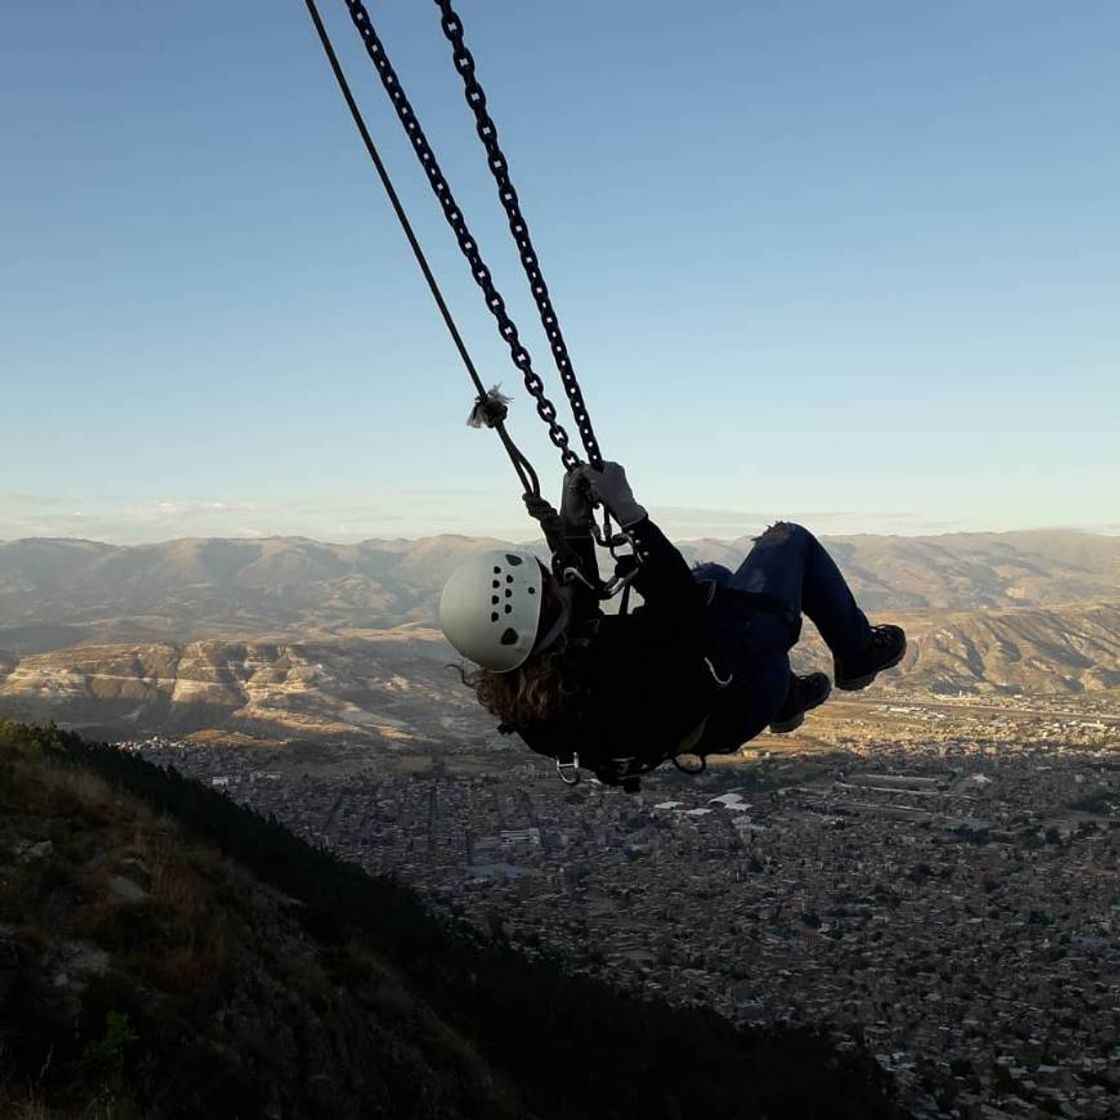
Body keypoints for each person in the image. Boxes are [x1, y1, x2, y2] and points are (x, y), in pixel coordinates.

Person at [439, 463, 906, 788]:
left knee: (714, 577)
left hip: (700, 714)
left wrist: (576, 530)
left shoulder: (532, 691)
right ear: (541, 614)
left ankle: (786, 701)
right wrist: (629, 513)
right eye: (547, 583)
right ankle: (857, 654)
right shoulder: (619, 665)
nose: (558, 579)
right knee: (788, 543)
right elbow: (677, 603)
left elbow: (578, 621)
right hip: (738, 692)